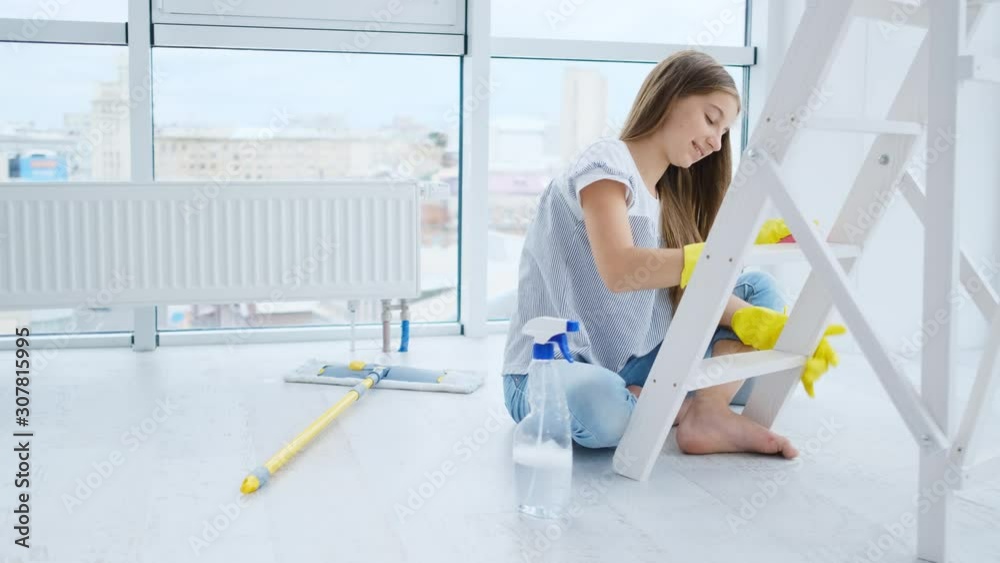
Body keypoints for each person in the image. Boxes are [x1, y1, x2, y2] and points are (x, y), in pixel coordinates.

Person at [501, 50, 841, 458]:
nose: (717, 142)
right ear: (670, 95)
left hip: (639, 362)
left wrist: (762, 323)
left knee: (758, 289)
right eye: (712, 119)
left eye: (724, 132)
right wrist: (719, 254)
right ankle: (671, 403)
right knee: (602, 409)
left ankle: (705, 413)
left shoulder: (673, 201)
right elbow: (620, 270)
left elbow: (692, 291)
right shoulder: (606, 162)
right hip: (550, 365)